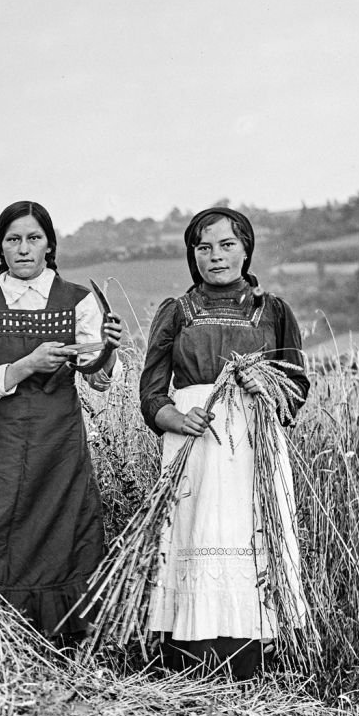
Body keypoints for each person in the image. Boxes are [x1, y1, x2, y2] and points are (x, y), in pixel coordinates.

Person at [138, 206, 311, 680]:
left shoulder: (273, 311)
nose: (216, 256)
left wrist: (266, 386)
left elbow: (296, 388)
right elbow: (151, 394)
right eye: (204, 247)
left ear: (246, 250)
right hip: (194, 447)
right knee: (196, 534)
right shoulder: (177, 312)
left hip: (253, 447)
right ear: (193, 255)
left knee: (248, 534)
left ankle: (252, 662)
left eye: (227, 245)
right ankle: (189, 663)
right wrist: (178, 418)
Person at [0, 201, 125, 643]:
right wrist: (27, 364)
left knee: (64, 537)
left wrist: (108, 351)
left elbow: (97, 377)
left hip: (59, 446)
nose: (24, 248)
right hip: (1, 447)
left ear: (49, 245)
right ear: (1, 248)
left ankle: (68, 641)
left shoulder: (78, 301)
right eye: (13, 240)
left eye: (33, 238)